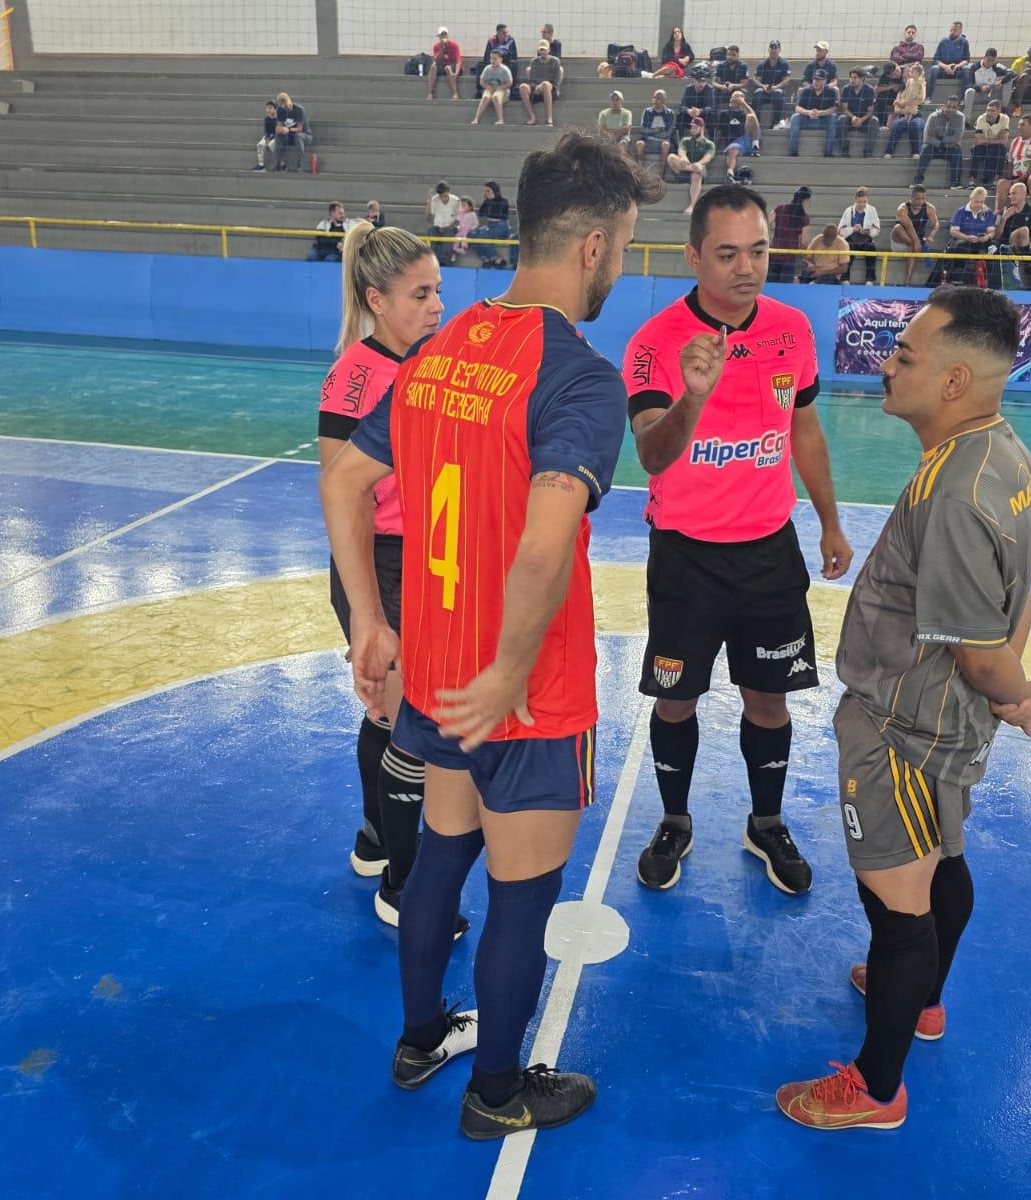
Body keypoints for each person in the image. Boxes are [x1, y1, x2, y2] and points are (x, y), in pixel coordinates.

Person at [321, 129, 664, 1141]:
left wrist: (371, 624)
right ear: (594, 245)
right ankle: (498, 1093)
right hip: (525, 692)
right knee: (520, 899)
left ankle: (421, 1036)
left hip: (432, 673)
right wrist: (514, 665)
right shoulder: (578, 374)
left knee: (439, 857)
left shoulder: (437, 349)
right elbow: (548, 535)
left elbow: (343, 478)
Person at [775, 286, 1031, 1132]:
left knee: (895, 904)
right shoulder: (1005, 458)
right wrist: (1006, 690)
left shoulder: (955, 491)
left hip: (905, 724)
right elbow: (1017, 599)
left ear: (954, 380)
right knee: (942, 859)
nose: (886, 363)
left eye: (905, 354)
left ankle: (875, 1087)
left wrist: (1016, 691)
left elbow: (980, 651)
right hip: (947, 715)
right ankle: (926, 1001)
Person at [625, 184, 852, 896]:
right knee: (675, 700)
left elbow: (804, 431)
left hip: (768, 551)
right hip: (687, 557)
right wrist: (693, 394)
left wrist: (830, 519)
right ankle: (675, 819)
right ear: (694, 256)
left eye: (757, 251)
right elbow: (652, 457)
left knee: (769, 700)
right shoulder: (654, 344)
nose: (745, 268)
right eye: (726, 254)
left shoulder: (792, 329)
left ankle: (766, 820)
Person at [317, 222, 447, 929]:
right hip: (381, 563)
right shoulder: (354, 377)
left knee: (388, 714)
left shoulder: (435, 361)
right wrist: (366, 609)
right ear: (376, 298)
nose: (436, 306)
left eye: (439, 291)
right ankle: (405, 891)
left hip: (427, 559)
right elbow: (343, 496)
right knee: (409, 730)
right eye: (420, 294)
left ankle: (374, 838)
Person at [944, 187, 996, 285]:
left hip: (981, 242)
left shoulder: (988, 212)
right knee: (960, 247)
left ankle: (990, 281)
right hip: (965, 241)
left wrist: (986, 237)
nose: (979, 204)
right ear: (971, 199)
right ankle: (958, 279)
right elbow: (953, 231)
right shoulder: (961, 211)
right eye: (976, 201)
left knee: (994, 247)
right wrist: (966, 237)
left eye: (981, 202)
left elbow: (992, 232)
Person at [890, 184, 939, 286]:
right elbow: (909, 226)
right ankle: (918, 246)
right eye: (917, 199)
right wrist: (917, 242)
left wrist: (931, 236)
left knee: (912, 245)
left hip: (915, 243)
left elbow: (936, 224)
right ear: (911, 198)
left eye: (923, 199)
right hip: (899, 241)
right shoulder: (902, 209)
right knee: (898, 228)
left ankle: (907, 281)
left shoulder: (930, 208)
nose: (920, 202)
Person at [667, 116, 717, 213]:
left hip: (699, 169)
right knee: (671, 157)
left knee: (696, 174)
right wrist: (683, 158)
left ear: (701, 128)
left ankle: (692, 205)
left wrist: (699, 163)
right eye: (691, 127)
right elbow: (681, 150)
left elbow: (708, 157)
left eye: (695, 127)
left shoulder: (709, 144)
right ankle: (692, 169)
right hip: (686, 167)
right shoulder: (686, 140)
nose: (692, 129)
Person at [914, 96, 964, 188]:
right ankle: (918, 181)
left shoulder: (960, 117)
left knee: (957, 152)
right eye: (948, 106)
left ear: (958, 108)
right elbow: (927, 138)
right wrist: (942, 143)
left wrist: (939, 137)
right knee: (925, 149)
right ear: (943, 106)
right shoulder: (933, 116)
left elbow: (956, 138)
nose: (950, 109)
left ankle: (955, 182)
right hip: (935, 147)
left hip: (950, 148)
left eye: (954, 107)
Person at [787, 71, 840, 157]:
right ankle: (793, 151)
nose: (816, 82)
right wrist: (808, 112)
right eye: (815, 79)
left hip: (823, 121)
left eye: (819, 80)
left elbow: (833, 109)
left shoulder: (830, 91)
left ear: (824, 81)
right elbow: (797, 108)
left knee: (833, 118)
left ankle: (828, 152)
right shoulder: (806, 90)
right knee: (795, 117)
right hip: (807, 120)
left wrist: (820, 113)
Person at [768, 186, 811, 283]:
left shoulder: (780, 208)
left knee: (770, 287)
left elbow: (767, 222)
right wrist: (806, 257)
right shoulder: (804, 217)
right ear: (806, 200)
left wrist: (771, 235)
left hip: (774, 253)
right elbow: (804, 242)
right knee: (784, 289)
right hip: (789, 258)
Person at [883, 63, 926, 158]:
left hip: (917, 115)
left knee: (914, 125)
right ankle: (888, 151)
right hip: (903, 115)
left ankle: (916, 152)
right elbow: (896, 109)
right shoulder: (900, 93)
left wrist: (905, 105)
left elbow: (920, 103)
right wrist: (906, 111)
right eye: (905, 78)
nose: (907, 79)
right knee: (898, 124)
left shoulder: (919, 87)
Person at [842, 187, 882, 284]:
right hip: (852, 239)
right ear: (855, 200)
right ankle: (845, 279)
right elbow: (841, 229)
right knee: (847, 249)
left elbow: (876, 228)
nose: (862, 204)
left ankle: (869, 280)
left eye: (864, 202)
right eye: (860, 202)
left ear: (867, 200)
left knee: (872, 248)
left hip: (866, 239)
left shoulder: (872, 210)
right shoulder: (848, 211)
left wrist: (867, 232)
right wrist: (852, 229)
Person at [519, 40, 564, 126]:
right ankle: (532, 117)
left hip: (550, 88)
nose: (543, 52)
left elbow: (555, 81)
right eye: (541, 50)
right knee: (523, 87)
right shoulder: (534, 61)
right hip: (536, 88)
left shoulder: (555, 61)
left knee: (545, 84)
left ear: (549, 50)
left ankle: (549, 118)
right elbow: (532, 80)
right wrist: (536, 87)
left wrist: (543, 85)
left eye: (544, 49)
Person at [967, 98, 1009, 190]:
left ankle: (995, 181)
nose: (989, 113)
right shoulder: (981, 118)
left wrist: (986, 140)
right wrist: (995, 140)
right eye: (988, 110)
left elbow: (1004, 140)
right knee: (976, 151)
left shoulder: (1004, 119)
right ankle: (971, 181)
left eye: (992, 111)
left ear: (999, 111)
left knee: (1000, 151)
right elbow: (978, 139)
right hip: (983, 147)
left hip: (996, 147)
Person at [838, 69, 880, 157]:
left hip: (864, 120)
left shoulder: (869, 90)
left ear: (862, 78)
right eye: (850, 77)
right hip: (850, 119)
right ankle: (844, 150)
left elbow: (870, 110)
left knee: (874, 120)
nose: (852, 80)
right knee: (841, 119)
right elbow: (844, 109)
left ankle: (868, 152)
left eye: (855, 77)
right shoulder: (846, 89)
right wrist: (853, 117)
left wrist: (861, 120)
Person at [962, 48, 1012, 121]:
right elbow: (969, 84)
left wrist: (1001, 82)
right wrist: (980, 88)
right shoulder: (974, 67)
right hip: (978, 94)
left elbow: (1011, 74)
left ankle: (1004, 107)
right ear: (984, 57)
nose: (990, 63)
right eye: (988, 60)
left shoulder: (997, 67)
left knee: (1008, 81)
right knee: (969, 91)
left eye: (992, 60)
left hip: (992, 94)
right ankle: (966, 120)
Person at [751, 40, 791, 129]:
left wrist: (776, 87)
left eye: (776, 48)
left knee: (779, 93)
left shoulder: (784, 64)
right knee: (758, 92)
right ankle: (755, 121)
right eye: (772, 48)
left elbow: (787, 80)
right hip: (764, 90)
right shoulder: (762, 64)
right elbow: (756, 79)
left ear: (779, 50)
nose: (773, 50)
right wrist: (762, 86)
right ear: (768, 49)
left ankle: (776, 122)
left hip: (777, 90)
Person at [634, 90, 676, 171]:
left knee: (666, 145)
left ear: (664, 100)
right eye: (654, 98)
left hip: (663, 141)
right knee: (639, 144)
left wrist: (651, 132)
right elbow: (643, 129)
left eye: (658, 98)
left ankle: (661, 173)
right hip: (649, 141)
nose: (655, 100)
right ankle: (640, 172)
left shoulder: (670, 113)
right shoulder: (647, 112)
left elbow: (668, 133)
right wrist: (658, 130)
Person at [722, 91, 762, 177]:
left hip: (748, 138)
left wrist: (743, 103)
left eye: (737, 97)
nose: (735, 99)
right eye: (733, 97)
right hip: (735, 142)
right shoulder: (724, 113)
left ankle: (755, 146)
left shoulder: (746, 113)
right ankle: (730, 172)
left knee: (751, 117)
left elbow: (754, 117)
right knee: (732, 150)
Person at [927, 22, 970, 100]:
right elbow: (936, 59)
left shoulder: (964, 42)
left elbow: (966, 60)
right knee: (934, 69)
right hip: (943, 70)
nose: (952, 32)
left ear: (960, 31)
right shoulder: (943, 41)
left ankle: (963, 99)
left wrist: (956, 66)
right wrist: (946, 67)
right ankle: (928, 97)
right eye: (951, 29)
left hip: (957, 71)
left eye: (955, 30)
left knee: (967, 69)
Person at [476, 181, 512, 267]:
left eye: (488, 191)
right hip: (490, 225)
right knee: (473, 236)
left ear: (494, 191)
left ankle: (496, 258)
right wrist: (486, 202)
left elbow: (498, 215)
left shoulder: (503, 201)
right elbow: (480, 214)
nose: (486, 193)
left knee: (481, 238)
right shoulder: (487, 202)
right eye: (485, 191)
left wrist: (490, 203)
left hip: (501, 226)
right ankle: (486, 258)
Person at [472, 50, 513, 124]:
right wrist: (487, 86)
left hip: (502, 88)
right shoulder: (487, 69)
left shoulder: (505, 70)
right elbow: (482, 81)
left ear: (500, 59)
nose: (493, 61)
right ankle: (476, 118)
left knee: (496, 97)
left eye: (495, 59)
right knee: (485, 97)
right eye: (491, 58)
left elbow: (510, 83)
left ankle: (501, 119)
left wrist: (500, 87)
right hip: (490, 87)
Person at [677, 62, 718, 136]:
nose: (701, 84)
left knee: (712, 117)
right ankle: (680, 142)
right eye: (699, 81)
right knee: (680, 116)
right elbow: (681, 106)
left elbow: (712, 107)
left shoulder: (709, 89)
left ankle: (712, 142)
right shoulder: (689, 89)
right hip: (691, 116)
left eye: (703, 81)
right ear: (694, 81)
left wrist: (700, 111)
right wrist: (688, 110)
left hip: (704, 116)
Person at [425, 180, 460, 263]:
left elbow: (459, 218)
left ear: (448, 192)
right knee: (431, 231)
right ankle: (433, 260)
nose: (443, 198)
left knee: (448, 233)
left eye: (445, 196)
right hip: (438, 226)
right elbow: (427, 217)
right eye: (440, 196)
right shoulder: (434, 200)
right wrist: (429, 200)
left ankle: (444, 261)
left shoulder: (456, 200)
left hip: (450, 226)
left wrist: (450, 225)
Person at [272, 91, 308, 171]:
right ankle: (277, 164)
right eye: (283, 106)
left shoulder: (299, 110)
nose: (285, 108)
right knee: (278, 135)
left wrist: (288, 129)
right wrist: (279, 129)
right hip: (288, 135)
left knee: (297, 136)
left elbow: (300, 129)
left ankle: (300, 164)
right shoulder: (281, 110)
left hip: (303, 134)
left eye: (286, 106)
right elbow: (279, 125)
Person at [429, 27, 463, 100]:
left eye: (445, 35)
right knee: (433, 67)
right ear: (439, 37)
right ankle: (430, 93)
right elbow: (436, 60)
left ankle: (455, 93)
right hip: (441, 66)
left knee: (447, 68)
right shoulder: (436, 46)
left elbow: (458, 61)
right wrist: (442, 48)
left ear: (447, 36)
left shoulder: (454, 45)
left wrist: (456, 73)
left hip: (451, 66)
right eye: (441, 35)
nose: (443, 37)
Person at [252, 99, 279, 171]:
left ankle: (279, 164)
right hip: (269, 136)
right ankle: (261, 166)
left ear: (275, 109)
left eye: (270, 108)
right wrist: (267, 138)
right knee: (260, 145)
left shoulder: (279, 119)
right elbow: (266, 131)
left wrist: (271, 139)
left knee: (272, 144)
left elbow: (278, 132)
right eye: (267, 108)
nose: (268, 110)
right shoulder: (267, 119)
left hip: (277, 137)